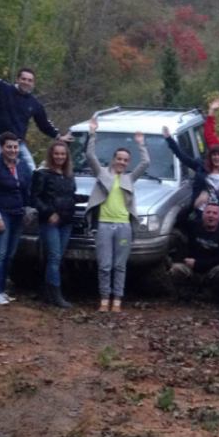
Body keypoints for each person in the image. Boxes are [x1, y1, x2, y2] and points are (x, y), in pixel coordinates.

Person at [0, 37, 71, 175]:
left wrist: (59, 137)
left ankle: (27, 196)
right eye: (24, 79)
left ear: (33, 83)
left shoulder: (34, 104)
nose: (26, 82)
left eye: (30, 80)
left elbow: (44, 123)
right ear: (18, 79)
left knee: (32, 172)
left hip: (18, 143)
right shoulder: (4, 89)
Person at [85, 116, 150, 313]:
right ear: (113, 159)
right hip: (104, 225)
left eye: (125, 160)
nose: (122, 162)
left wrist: (141, 144)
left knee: (119, 265)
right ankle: (104, 298)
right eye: (119, 159)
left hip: (124, 227)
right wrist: (93, 133)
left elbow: (146, 162)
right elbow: (90, 155)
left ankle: (117, 299)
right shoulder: (103, 174)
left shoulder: (130, 178)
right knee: (104, 265)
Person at [0, 132, 32, 306]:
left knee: (10, 255)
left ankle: (2, 290)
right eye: (9, 147)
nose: (12, 150)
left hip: (18, 214)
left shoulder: (22, 166)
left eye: (15, 147)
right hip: (1, 213)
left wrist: (28, 209)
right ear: (2, 148)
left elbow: (26, 190)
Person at [31, 140, 77, 308]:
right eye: (57, 154)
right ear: (51, 154)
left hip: (66, 222)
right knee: (54, 257)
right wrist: (48, 212)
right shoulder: (42, 174)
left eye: (63, 154)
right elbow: (34, 198)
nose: (60, 157)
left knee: (56, 258)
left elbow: (71, 196)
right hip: (50, 222)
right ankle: (56, 296)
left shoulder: (69, 175)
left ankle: (45, 290)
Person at [164, 126, 219, 219]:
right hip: (201, 213)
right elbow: (183, 158)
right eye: (214, 155)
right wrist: (169, 140)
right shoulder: (201, 167)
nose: (217, 158)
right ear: (210, 157)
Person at [169, 203, 219, 298]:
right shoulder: (194, 226)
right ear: (203, 215)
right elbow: (180, 219)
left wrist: (198, 263)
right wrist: (193, 205)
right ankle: (184, 293)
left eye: (215, 213)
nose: (211, 215)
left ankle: (211, 294)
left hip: (210, 272)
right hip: (191, 271)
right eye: (208, 212)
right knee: (175, 269)